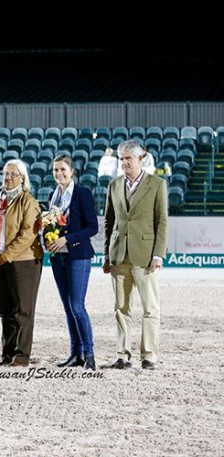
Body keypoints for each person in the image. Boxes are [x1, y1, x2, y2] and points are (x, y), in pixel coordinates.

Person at [103, 140, 168, 370]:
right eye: (121, 158)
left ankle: (149, 355)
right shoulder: (114, 185)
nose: (124, 163)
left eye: (128, 158)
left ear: (141, 159)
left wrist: (158, 254)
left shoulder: (157, 185)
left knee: (150, 308)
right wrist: (106, 255)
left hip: (146, 257)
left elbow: (162, 222)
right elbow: (109, 222)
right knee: (121, 308)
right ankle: (123, 355)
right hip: (119, 255)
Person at [0, 159, 43, 367]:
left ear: (23, 178)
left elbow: (28, 233)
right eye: (5, 174)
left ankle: (21, 354)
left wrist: (6, 254)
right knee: (5, 309)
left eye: (13, 174)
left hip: (23, 261)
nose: (8, 178)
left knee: (23, 309)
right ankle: (7, 353)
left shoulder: (28, 201)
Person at [46, 155, 98, 370]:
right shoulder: (53, 195)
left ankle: (90, 354)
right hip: (59, 258)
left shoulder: (82, 193)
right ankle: (75, 354)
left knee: (77, 306)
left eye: (63, 170)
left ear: (72, 171)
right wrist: (48, 239)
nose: (59, 174)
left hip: (78, 255)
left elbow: (92, 227)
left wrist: (67, 238)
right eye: (56, 170)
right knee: (68, 308)